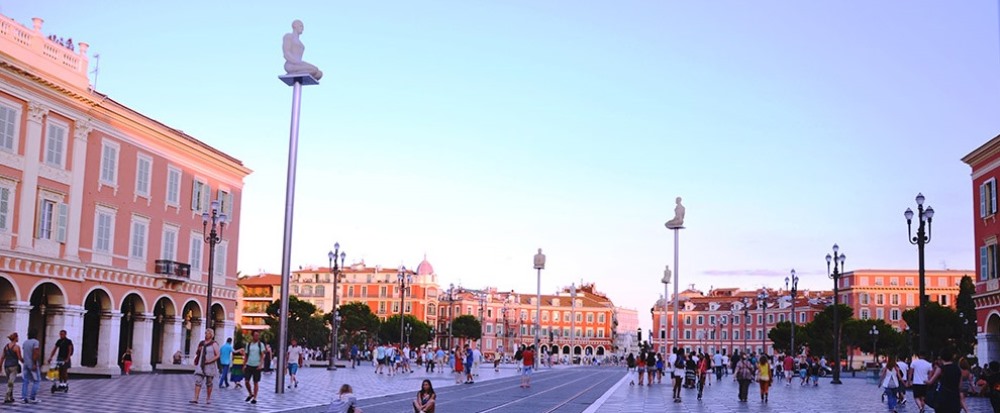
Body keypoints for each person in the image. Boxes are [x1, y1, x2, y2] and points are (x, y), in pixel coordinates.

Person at [926, 347, 962, 413]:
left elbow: (930, 382)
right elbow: (959, 385)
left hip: (943, 396)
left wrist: (925, 381)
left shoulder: (941, 368)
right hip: (955, 397)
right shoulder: (957, 368)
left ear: (941, 357)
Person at [190, 329, 220, 405]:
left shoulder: (214, 344)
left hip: (210, 365)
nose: (206, 334)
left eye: (207, 333)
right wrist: (199, 350)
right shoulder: (202, 343)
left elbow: (217, 355)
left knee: (209, 382)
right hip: (201, 364)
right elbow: (197, 353)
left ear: (211, 335)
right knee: (198, 381)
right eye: (205, 333)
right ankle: (195, 398)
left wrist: (209, 361)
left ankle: (208, 398)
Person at [239, 330, 266, 405]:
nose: (257, 337)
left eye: (258, 335)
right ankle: (250, 393)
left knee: (255, 382)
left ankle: (255, 398)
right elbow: (246, 355)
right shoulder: (249, 344)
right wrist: (244, 365)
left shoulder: (260, 344)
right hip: (249, 364)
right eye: (255, 335)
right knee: (246, 381)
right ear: (252, 336)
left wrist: (260, 364)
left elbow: (262, 355)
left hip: (256, 365)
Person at [20, 328, 41, 404]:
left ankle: (23, 397)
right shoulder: (36, 342)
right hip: (32, 364)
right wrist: (34, 363)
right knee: (37, 381)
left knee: (25, 381)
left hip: (26, 364)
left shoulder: (25, 342)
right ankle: (32, 397)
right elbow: (35, 353)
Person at [1, 332, 22, 404]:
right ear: (16, 338)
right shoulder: (17, 347)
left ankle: (11, 397)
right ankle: (6, 397)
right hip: (14, 366)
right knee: (11, 382)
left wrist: (0, 366)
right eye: (18, 337)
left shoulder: (6, 347)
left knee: (10, 382)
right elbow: (19, 357)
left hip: (6, 366)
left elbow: (2, 357)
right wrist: (24, 361)